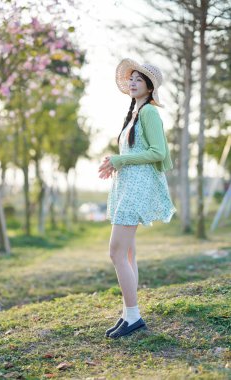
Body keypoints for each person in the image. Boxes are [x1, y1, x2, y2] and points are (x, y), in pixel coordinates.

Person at [98, 58, 176, 339]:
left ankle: (134, 316)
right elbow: (134, 152)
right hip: (129, 184)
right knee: (128, 253)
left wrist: (120, 159)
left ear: (150, 87)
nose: (132, 83)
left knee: (116, 251)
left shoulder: (149, 113)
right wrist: (114, 162)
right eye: (130, 79)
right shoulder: (134, 113)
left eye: (138, 80)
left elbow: (158, 152)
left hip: (138, 187)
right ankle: (128, 314)